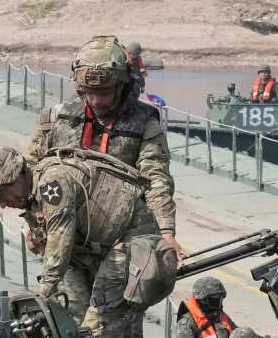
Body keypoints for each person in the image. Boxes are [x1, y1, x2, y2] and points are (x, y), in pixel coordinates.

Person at [0, 144, 163, 338]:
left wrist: (44, 291)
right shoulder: (33, 197)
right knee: (75, 320)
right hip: (98, 252)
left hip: (131, 241)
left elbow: (60, 238)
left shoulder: (52, 182)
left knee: (99, 323)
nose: (2, 204)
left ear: (12, 179)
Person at [26, 36, 179, 264]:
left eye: (105, 93)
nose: (96, 101)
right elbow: (32, 175)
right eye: (89, 93)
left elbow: (156, 180)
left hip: (120, 240)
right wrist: (34, 226)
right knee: (63, 299)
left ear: (122, 86)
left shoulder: (145, 125)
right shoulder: (56, 119)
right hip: (66, 237)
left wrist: (166, 232)